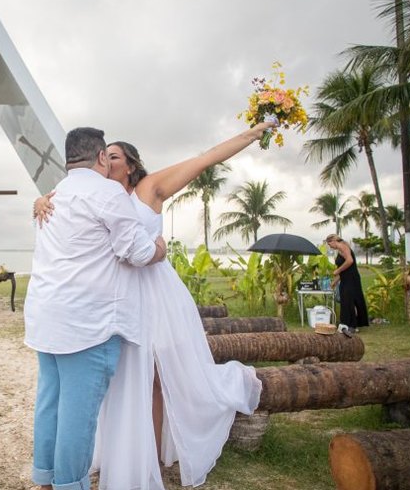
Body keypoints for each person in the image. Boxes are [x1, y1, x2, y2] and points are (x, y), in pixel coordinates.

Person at [35, 122, 273, 489]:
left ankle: (151, 459)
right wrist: (38, 201)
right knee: (114, 386)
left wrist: (250, 134)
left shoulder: (148, 189)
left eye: (116, 156)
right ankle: (112, 456)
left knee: (157, 378)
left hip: (155, 296)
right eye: (106, 154)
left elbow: (204, 159)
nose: (109, 161)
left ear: (130, 165)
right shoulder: (88, 192)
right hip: (115, 301)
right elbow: (60, 209)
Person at [24, 127, 167, 490]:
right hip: (87, 322)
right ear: (101, 157)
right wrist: (161, 249)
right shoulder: (107, 192)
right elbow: (135, 252)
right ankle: (70, 484)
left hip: (46, 314)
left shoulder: (56, 192)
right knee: (78, 414)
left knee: (50, 402)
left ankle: (44, 478)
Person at [326, 234, 369, 335]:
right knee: (346, 301)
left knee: (349, 300)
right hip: (346, 278)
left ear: (333, 241)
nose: (330, 247)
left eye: (329, 244)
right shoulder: (340, 249)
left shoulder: (343, 246)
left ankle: (351, 325)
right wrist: (335, 281)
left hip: (351, 279)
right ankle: (349, 324)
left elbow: (350, 261)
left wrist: (337, 270)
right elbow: (345, 269)